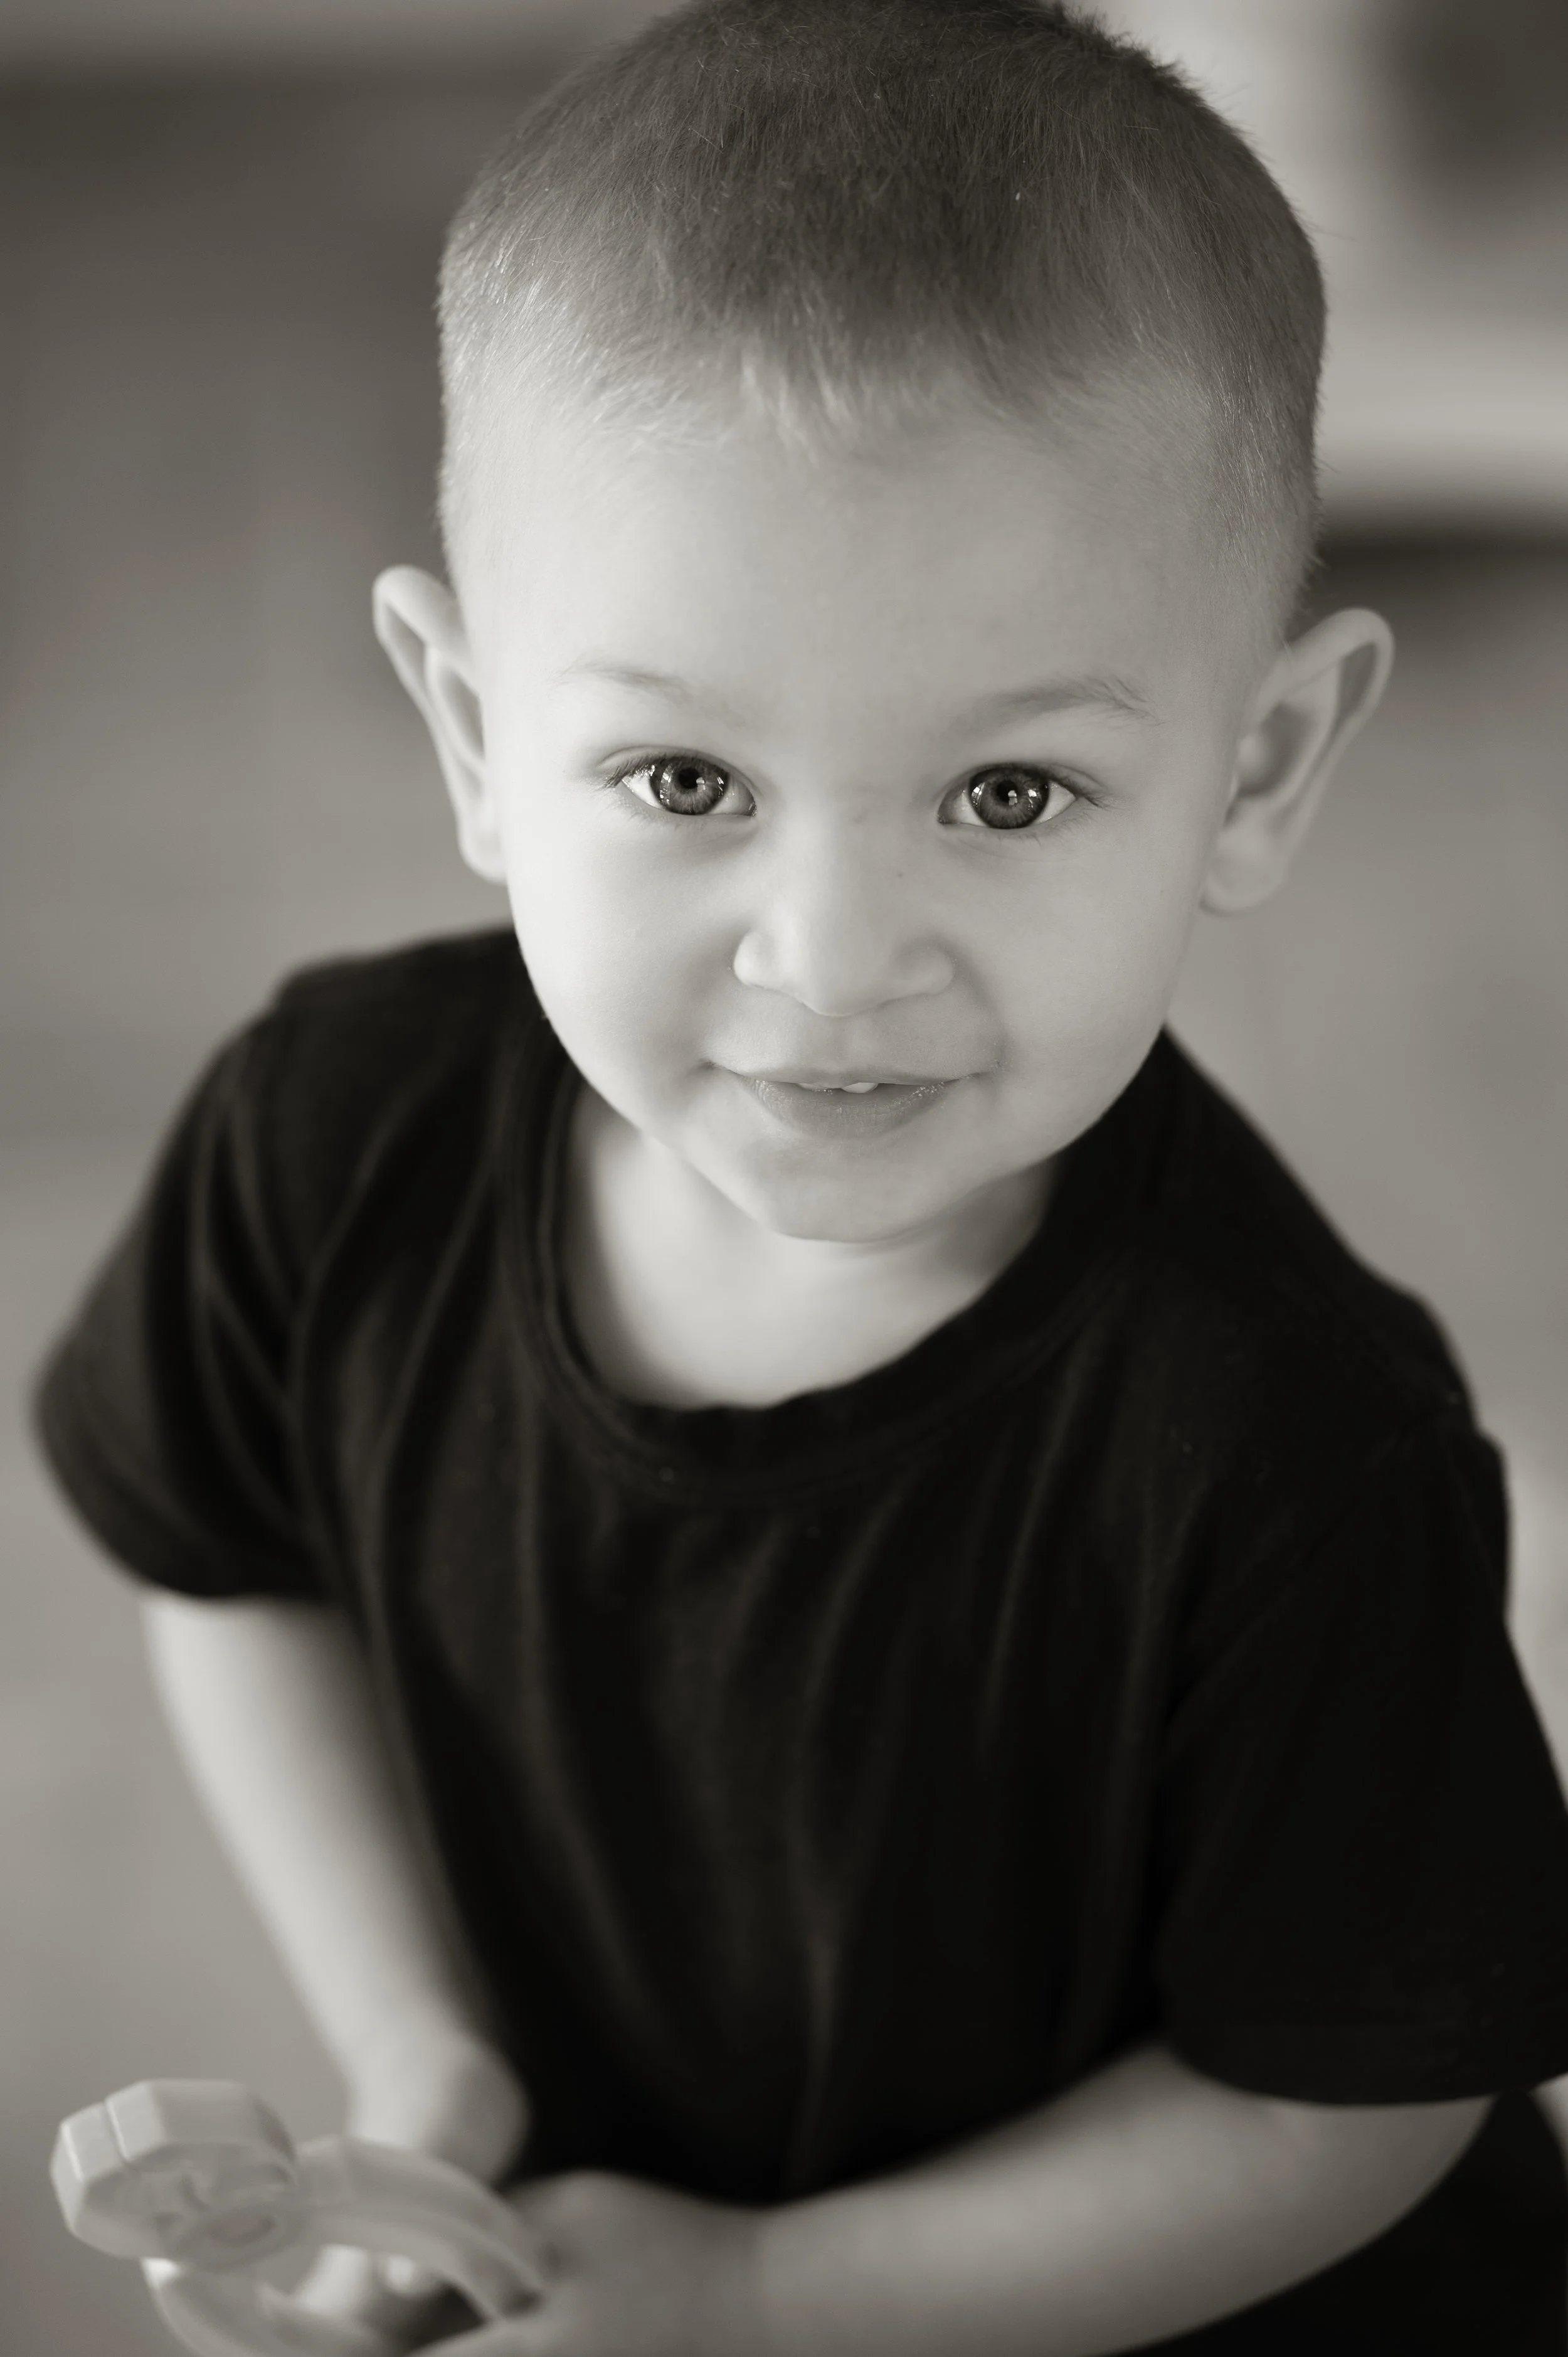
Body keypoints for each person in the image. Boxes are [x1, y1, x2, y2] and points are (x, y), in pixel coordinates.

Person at [33, 3, 1568, 2349]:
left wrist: (778, 2297)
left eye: (1010, 794)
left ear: (1256, 768)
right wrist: (426, 2038)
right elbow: (237, 1563)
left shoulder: (1284, 1447)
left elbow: (1350, 2098)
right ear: (472, 735)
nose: (828, 959)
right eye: (677, 780)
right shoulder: (326, 1144)